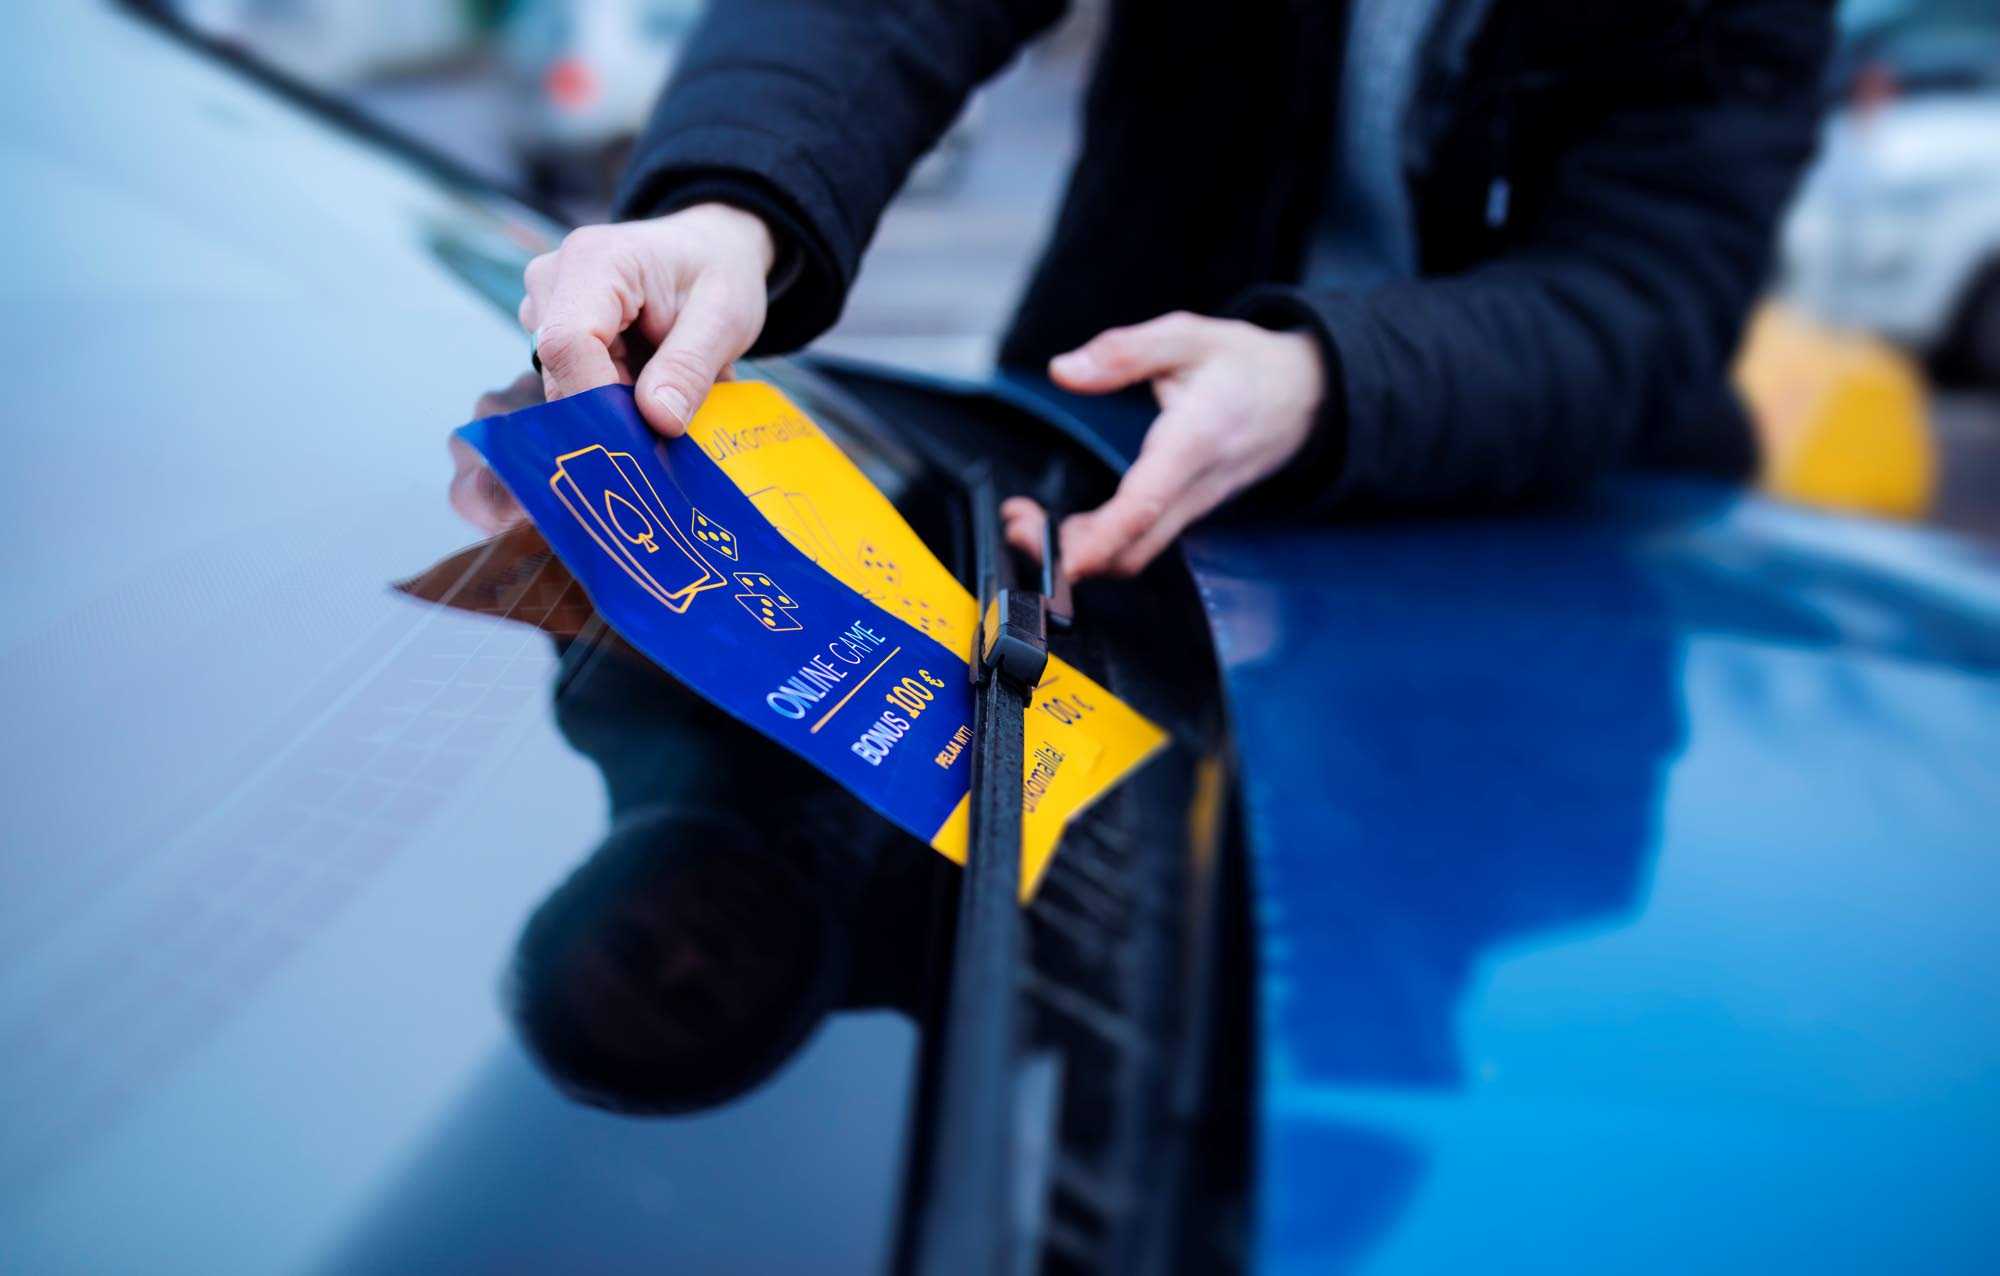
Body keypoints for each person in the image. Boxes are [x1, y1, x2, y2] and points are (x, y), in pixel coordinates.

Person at [518, 0, 1833, 579]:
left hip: (1542, 558)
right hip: (1095, 489)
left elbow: (1649, 293)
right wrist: (736, 203)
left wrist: (1320, 381)